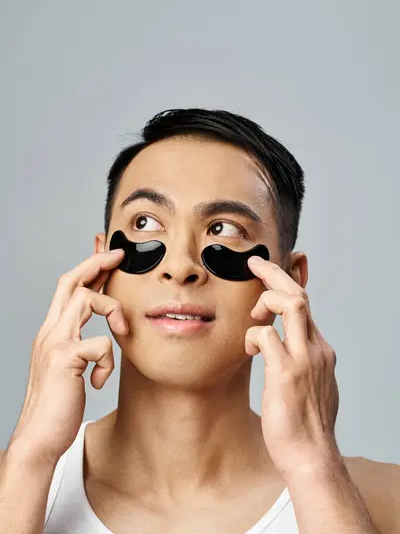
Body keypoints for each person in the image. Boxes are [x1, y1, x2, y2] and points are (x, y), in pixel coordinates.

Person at [0, 108, 399, 534]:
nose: (180, 265)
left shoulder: (382, 500)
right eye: (145, 223)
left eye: (224, 229)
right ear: (101, 266)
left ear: (289, 279)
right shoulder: (17, 482)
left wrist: (316, 468)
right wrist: (29, 458)